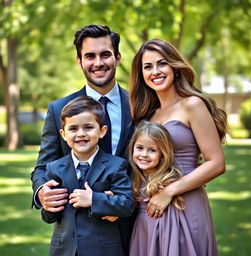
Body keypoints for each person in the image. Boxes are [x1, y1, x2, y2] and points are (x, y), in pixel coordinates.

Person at [31, 24, 134, 254]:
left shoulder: (139, 106)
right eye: (90, 56)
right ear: (79, 61)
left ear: (117, 58)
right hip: (75, 236)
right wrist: (42, 193)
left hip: (132, 228)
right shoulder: (59, 110)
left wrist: (116, 201)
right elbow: (42, 166)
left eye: (105, 54)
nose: (98, 63)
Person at [129, 39, 228, 255]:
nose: (155, 71)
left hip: (185, 203)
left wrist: (169, 191)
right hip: (149, 210)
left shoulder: (192, 105)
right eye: (148, 67)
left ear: (174, 66)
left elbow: (217, 163)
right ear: (142, 75)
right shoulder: (147, 115)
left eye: (162, 63)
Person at [41, 96, 135, 256]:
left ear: (102, 131)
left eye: (88, 127)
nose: (81, 134)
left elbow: (127, 204)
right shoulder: (54, 168)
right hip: (64, 250)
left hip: (103, 250)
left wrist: (94, 200)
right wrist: (48, 205)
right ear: (63, 134)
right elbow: (49, 217)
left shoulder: (116, 165)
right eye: (73, 129)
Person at [128, 120, 187, 255]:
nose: (144, 154)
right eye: (140, 148)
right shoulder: (134, 179)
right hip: (142, 231)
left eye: (152, 150)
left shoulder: (167, 181)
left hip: (164, 231)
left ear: (162, 155)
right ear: (132, 148)